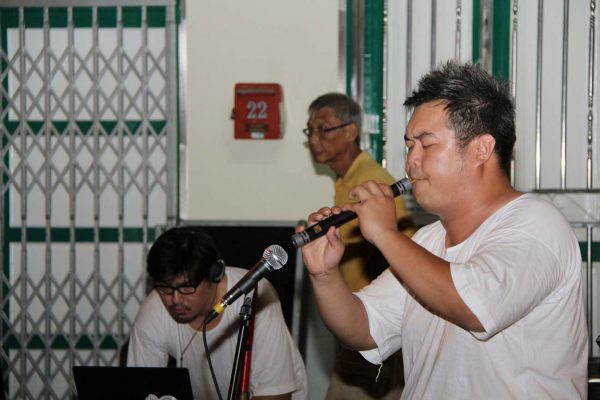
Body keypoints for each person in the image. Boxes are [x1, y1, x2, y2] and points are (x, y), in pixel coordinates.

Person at [298, 61, 588, 399]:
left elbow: (474, 308)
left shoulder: (537, 224)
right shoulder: (428, 240)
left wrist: (385, 234)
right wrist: (325, 274)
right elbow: (362, 330)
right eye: (409, 145)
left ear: (482, 148)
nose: (411, 162)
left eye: (426, 144)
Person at [304, 92, 413, 399]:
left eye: (323, 129)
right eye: (309, 131)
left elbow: (399, 251)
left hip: (379, 324)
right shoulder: (346, 181)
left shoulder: (373, 184)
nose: (314, 139)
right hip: (358, 317)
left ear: (351, 132)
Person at [127, 227, 307, 400]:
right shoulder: (154, 308)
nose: (175, 300)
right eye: (165, 288)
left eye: (187, 287)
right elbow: (142, 388)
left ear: (215, 275)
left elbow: (275, 394)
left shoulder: (256, 296)